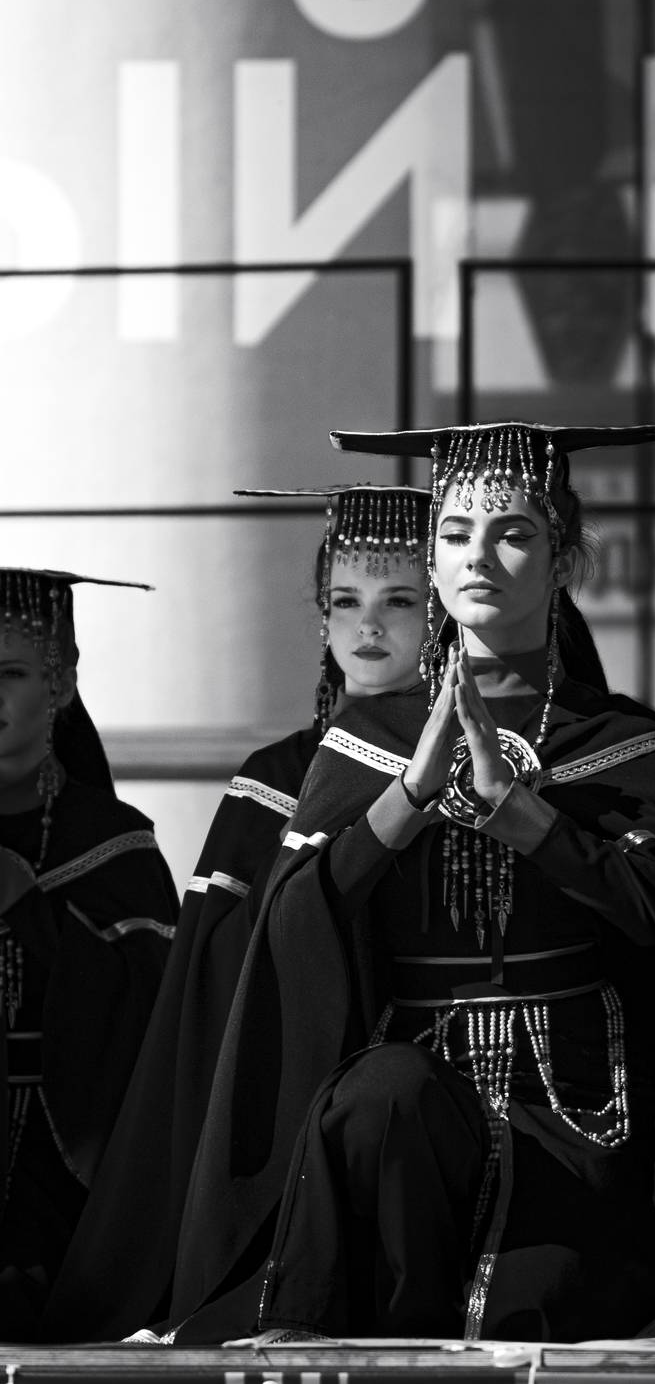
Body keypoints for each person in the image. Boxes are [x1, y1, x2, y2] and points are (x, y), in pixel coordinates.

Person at [78, 424, 655, 1346]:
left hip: (581, 1100)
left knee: (539, 1303)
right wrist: (407, 799)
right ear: (433, 563)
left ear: (563, 561)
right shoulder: (365, 741)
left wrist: (530, 822)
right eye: (456, 534)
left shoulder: (620, 741)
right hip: (417, 1095)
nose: (480, 557)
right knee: (381, 1101)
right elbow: (294, 927)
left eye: (513, 534)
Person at [42, 485, 437, 1343]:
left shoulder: (487, 768)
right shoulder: (275, 776)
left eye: (401, 601)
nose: (368, 625)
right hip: (294, 1098)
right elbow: (214, 981)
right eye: (345, 601)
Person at [0, 568, 178, 1339]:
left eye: (10, 674)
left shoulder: (114, 842)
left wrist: (29, 912)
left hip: (63, 1182)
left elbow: (149, 1027)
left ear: (61, 684)